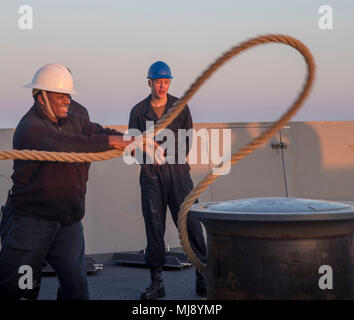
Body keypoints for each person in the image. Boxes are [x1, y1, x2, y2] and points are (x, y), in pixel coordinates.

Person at [0, 63, 162, 300]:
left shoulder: (77, 114)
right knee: (19, 290)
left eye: (68, 95)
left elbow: (91, 131)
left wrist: (131, 139)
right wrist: (114, 142)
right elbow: (66, 146)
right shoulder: (29, 129)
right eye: (60, 95)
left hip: (68, 223)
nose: (67, 100)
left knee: (76, 290)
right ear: (41, 96)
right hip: (30, 224)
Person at [128, 61, 207, 300]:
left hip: (179, 175)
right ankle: (157, 283)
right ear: (149, 82)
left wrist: (174, 161)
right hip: (151, 176)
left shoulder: (180, 107)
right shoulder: (138, 112)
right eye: (158, 82)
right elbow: (133, 145)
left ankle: (203, 278)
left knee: (191, 223)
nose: (162, 86)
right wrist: (149, 159)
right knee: (154, 227)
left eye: (166, 82)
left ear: (169, 82)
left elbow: (187, 139)